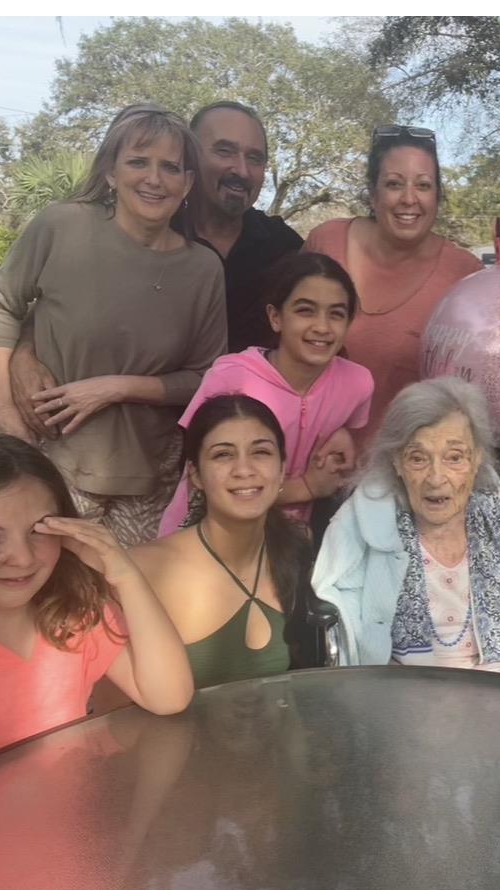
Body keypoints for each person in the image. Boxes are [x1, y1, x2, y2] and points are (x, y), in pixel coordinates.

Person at [0, 434, 193, 808]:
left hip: (66, 831)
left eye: (38, 530)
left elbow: (169, 697)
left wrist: (126, 576)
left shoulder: (73, 614)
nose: (22, 557)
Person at [0, 103, 227, 546]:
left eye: (171, 167)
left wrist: (114, 388)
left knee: (131, 587)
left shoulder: (203, 269)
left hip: (151, 476)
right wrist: (4, 405)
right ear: (111, 172)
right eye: (138, 162)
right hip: (53, 461)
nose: (154, 179)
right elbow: (1, 300)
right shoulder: (63, 226)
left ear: (188, 183)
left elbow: (204, 377)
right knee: (45, 583)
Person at [311, 377, 500, 674]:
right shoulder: (367, 519)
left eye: (454, 458)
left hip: (498, 674)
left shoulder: (499, 511)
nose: (436, 478)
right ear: (397, 462)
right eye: (418, 458)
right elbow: (334, 594)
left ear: (477, 458)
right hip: (405, 680)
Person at [156, 252, 373, 537]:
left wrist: (342, 431)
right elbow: (211, 482)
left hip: (288, 540)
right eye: (305, 311)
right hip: (207, 534)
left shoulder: (357, 383)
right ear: (275, 317)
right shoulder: (231, 378)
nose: (322, 327)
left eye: (336, 314)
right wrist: (306, 487)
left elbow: (343, 430)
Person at [304, 125, 482, 444]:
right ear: (373, 193)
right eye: (394, 184)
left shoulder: (464, 274)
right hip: (308, 458)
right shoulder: (326, 243)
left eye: (423, 185)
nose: (409, 199)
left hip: (406, 464)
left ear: (438, 196)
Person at [133, 396, 316, 690]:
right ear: (195, 474)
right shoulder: (144, 568)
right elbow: (112, 710)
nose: (244, 470)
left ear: (282, 468)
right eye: (223, 455)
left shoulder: (298, 547)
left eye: (261, 452)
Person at [188, 100, 306, 353]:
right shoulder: (156, 236)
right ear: (189, 157)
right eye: (224, 151)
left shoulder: (284, 249)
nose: (242, 171)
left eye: (254, 158)